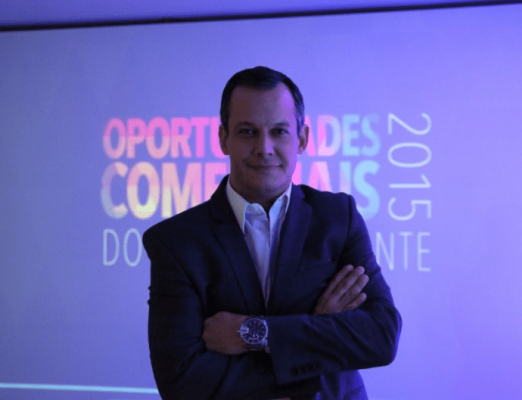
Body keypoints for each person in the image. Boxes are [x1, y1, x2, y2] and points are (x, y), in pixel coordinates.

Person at [143, 66, 401, 400]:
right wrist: (315, 336)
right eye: (247, 132)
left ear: (302, 139)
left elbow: (381, 336)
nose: (264, 147)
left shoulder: (339, 217)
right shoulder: (176, 242)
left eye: (279, 131)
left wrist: (254, 333)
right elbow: (181, 382)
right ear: (223, 138)